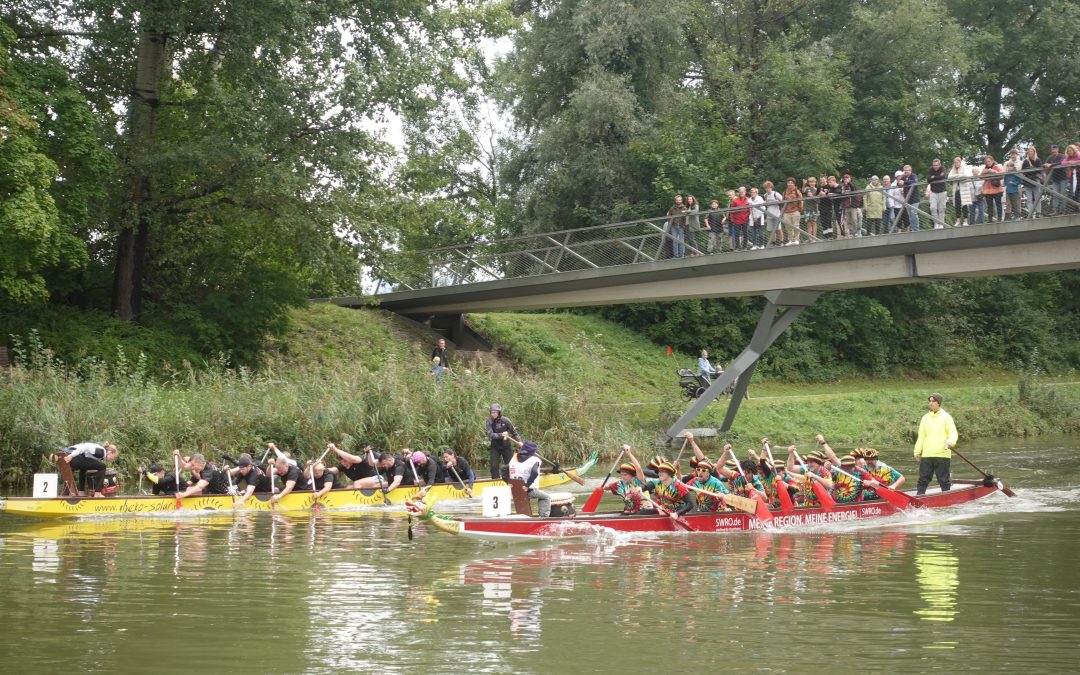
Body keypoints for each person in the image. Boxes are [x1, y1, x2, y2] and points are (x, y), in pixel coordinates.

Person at [913, 393, 958, 495]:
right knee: (923, 479)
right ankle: (919, 497)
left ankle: (946, 497)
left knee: (943, 480)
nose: (931, 403)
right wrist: (917, 451)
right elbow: (921, 436)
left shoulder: (946, 417)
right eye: (930, 401)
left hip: (942, 454)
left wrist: (950, 442)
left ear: (939, 403)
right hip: (927, 454)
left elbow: (953, 433)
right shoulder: (925, 418)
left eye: (933, 401)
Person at [507, 440, 551, 517]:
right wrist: (527, 485)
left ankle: (525, 515)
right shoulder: (534, 460)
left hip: (515, 489)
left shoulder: (513, 458)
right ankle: (544, 516)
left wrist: (507, 481)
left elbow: (503, 469)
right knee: (546, 497)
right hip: (529, 490)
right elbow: (535, 472)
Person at [607, 445, 650, 514]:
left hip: (645, 511)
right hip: (630, 511)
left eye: (625, 475)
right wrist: (600, 488)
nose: (623, 477)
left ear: (633, 475)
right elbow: (607, 487)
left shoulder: (639, 480)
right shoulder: (620, 483)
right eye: (621, 475)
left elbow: (638, 468)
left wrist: (629, 453)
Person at [486, 403, 519, 479]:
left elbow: (514, 433)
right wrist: (501, 434)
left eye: (494, 412)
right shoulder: (489, 421)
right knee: (494, 465)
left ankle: (512, 479)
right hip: (495, 446)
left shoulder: (506, 420)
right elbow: (491, 434)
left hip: (506, 446)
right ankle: (495, 480)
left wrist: (519, 442)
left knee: (510, 465)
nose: (492, 414)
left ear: (499, 412)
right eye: (491, 412)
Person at [948, 157, 973, 226]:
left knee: (964, 205)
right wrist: (958, 176)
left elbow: (965, 176)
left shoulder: (964, 168)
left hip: (964, 190)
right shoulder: (953, 169)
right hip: (957, 190)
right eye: (954, 162)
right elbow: (949, 177)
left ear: (960, 162)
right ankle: (958, 221)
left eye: (957, 162)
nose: (955, 164)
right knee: (957, 205)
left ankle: (965, 221)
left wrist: (955, 176)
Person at [1044, 144, 1067, 215]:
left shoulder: (1062, 156)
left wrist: (1051, 165)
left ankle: (1063, 210)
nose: (1053, 150)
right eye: (1052, 149)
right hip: (1055, 179)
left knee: (1062, 194)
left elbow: (1061, 163)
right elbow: (1045, 164)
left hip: (1063, 178)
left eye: (1055, 148)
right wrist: (1046, 165)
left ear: (1058, 149)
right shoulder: (1050, 157)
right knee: (1055, 194)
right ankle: (1055, 210)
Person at [1021, 146, 1043, 218]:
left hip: (1035, 180)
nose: (1030, 153)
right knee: (1029, 198)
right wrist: (1030, 170)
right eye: (1029, 151)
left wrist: (1032, 169)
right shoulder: (1026, 161)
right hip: (1028, 181)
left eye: (1031, 151)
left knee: (1037, 197)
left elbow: (1040, 170)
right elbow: (1023, 171)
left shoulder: (1038, 160)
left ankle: (1038, 212)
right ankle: (1030, 212)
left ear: (1034, 152)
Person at [981, 155, 1005, 223]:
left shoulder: (997, 167)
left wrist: (993, 171)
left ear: (992, 161)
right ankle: (990, 219)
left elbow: (1002, 175)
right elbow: (981, 177)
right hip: (988, 190)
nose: (988, 163)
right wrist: (985, 172)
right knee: (989, 206)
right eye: (986, 162)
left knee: (998, 204)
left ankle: (999, 218)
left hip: (997, 189)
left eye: (989, 161)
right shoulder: (984, 169)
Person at [926, 159, 948, 229]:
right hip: (933, 192)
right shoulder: (930, 169)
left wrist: (934, 177)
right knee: (932, 208)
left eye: (936, 165)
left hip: (942, 191)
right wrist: (937, 177)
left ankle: (941, 223)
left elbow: (943, 176)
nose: (935, 167)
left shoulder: (943, 168)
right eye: (934, 165)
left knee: (942, 208)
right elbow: (928, 179)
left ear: (939, 165)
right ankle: (936, 223)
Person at [781, 177, 803, 245]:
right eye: (788, 183)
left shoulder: (797, 191)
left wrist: (800, 209)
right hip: (786, 212)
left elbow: (801, 200)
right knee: (788, 227)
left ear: (794, 184)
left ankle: (796, 240)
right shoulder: (784, 192)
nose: (790, 184)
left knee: (796, 226)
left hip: (795, 211)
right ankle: (790, 240)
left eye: (791, 183)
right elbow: (782, 202)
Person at [666, 194, 688, 258]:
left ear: (681, 200)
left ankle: (682, 255)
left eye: (679, 200)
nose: (678, 201)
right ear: (675, 201)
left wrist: (685, 225)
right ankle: (675, 256)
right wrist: (670, 222)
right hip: (674, 226)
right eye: (677, 200)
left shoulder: (684, 208)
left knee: (681, 241)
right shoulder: (672, 208)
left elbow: (687, 217)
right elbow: (668, 216)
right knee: (674, 241)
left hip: (681, 226)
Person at [839, 173, 861, 238]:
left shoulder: (852, 185)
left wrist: (849, 183)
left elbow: (853, 189)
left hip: (853, 206)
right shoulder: (842, 186)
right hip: (846, 206)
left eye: (847, 178)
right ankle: (851, 233)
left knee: (854, 219)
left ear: (850, 179)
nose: (846, 180)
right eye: (845, 179)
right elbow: (840, 193)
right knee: (848, 221)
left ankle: (856, 232)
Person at [763, 181, 784, 246]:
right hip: (769, 214)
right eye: (766, 188)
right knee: (771, 230)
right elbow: (766, 203)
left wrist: (777, 201)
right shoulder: (765, 195)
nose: (767, 189)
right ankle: (773, 242)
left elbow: (783, 201)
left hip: (777, 214)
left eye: (769, 187)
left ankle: (781, 242)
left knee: (778, 229)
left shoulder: (776, 194)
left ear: (771, 187)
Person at [1003, 154, 1023, 220]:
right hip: (1008, 190)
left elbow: (1020, 181)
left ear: (1012, 167)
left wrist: (1014, 183)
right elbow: (1005, 180)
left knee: (1015, 203)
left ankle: (1017, 216)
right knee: (1008, 204)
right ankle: (1009, 217)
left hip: (1014, 191)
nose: (1008, 168)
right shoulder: (1007, 173)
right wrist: (1005, 184)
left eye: (1008, 167)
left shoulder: (1016, 173)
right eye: (1007, 167)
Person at [901, 165, 921, 231]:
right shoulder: (903, 177)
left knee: (913, 213)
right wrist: (899, 183)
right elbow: (899, 183)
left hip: (915, 199)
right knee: (909, 215)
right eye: (905, 170)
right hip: (907, 199)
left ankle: (916, 229)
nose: (906, 172)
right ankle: (913, 229)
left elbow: (915, 182)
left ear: (910, 170)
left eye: (907, 170)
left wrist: (904, 183)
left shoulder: (913, 176)